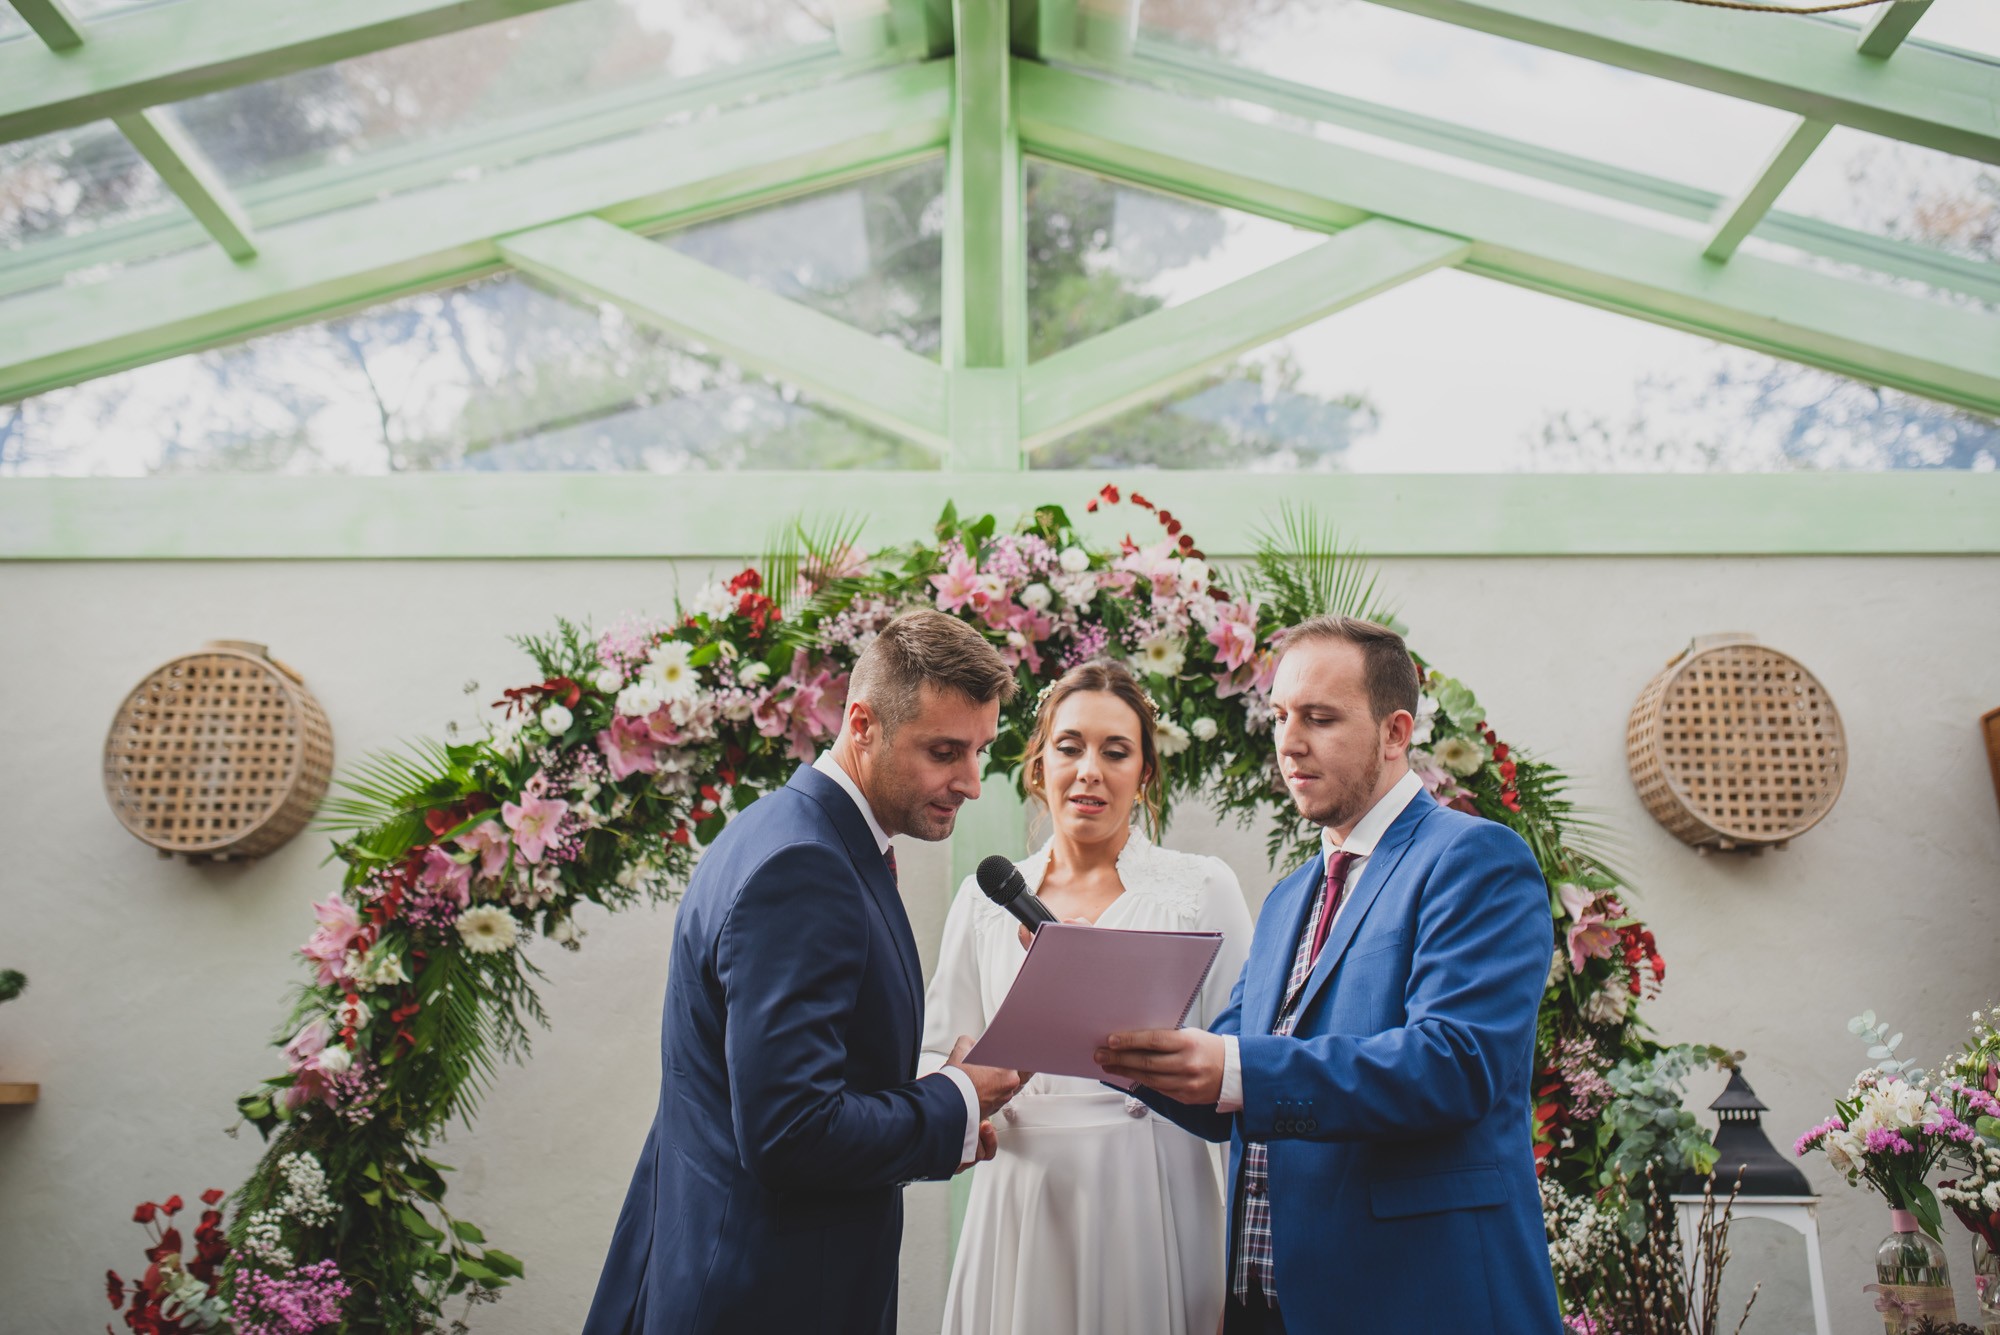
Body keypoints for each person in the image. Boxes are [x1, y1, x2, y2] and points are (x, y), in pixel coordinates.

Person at [1096, 616, 1562, 1334]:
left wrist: (1235, 1066)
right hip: (1267, 1307)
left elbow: (1455, 1064)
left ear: (1395, 731)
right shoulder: (1288, 897)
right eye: (1281, 715)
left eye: (1319, 717)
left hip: (1416, 1295)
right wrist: (1110, 1040)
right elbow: (1230, 1084)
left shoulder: (1475, 859)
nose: (1288, 741)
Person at [582, 610, 1026, 1335]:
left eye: (980, 749)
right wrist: (950, 1103)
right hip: (765, 1296)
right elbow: (789, 1129)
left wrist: (943, 1100)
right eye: (945, 750)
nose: (971, 781)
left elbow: (801, 1075)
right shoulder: (806, 866)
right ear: (862, 725)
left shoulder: (780, 827)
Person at [920, 660, 1253, 1335]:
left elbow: (1247, 1064)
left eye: (1116, 750)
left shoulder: (1202, 891)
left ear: (1147, 771)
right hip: (1021, 1193)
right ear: (1038, 765)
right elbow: (933, 1050)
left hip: (1150, 1192)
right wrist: (970, 1088)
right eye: (1069, 747)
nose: (1090, 769)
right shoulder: (985, 899)